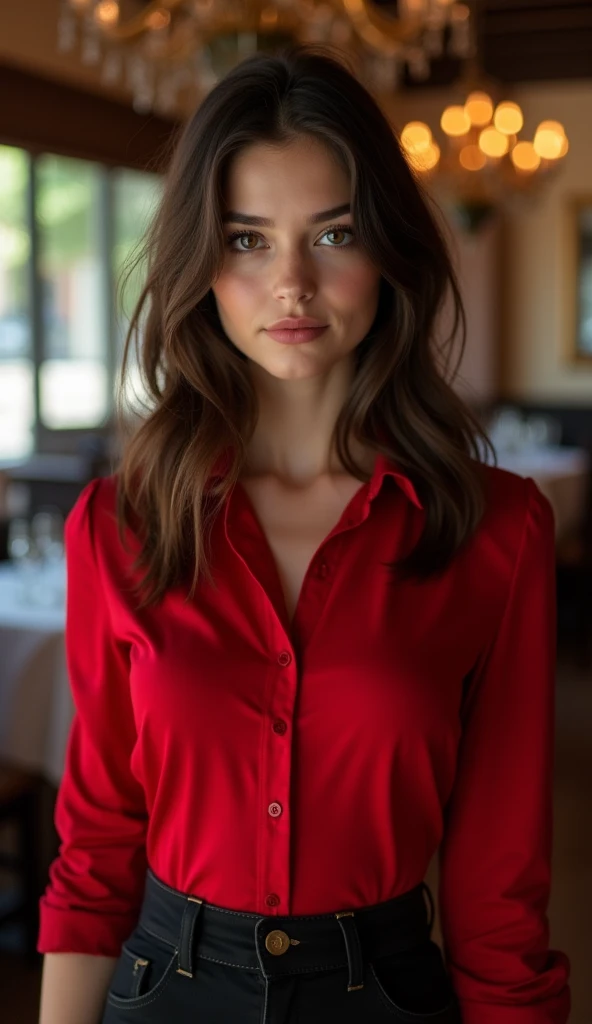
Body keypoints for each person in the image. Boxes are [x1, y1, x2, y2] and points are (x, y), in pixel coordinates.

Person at [37, 44, 570, 1024]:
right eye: (246, 240)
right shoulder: (118, 527)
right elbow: (98, 845)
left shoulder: (496, 533)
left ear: (386, 251)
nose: (290, 283)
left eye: (330, 235)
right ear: (201, 263)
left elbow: (500, 890)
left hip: (388, 993)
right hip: (162, 991)